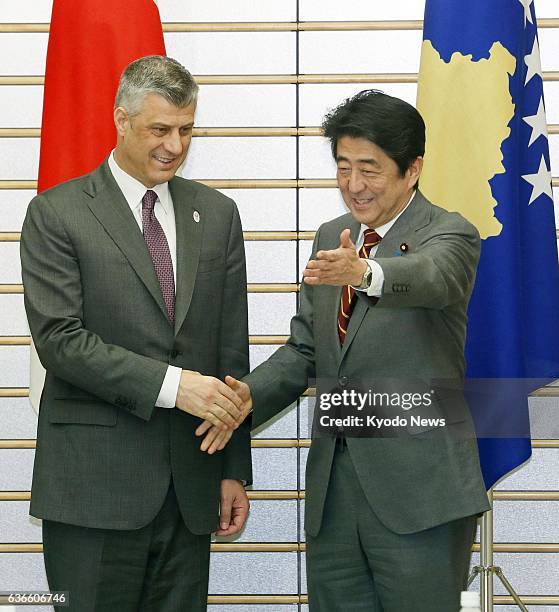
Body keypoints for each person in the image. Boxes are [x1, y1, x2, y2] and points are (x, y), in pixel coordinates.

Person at [200, 90, 490, 611]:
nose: (353, 186)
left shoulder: (449, 233)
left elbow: (431, 278)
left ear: (412, 169)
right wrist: (245, 398)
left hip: (420, 495)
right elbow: (305, 350)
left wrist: (364, 271)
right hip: (335, 496)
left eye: (370, 170)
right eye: (343, 167)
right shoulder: (331, 239)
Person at [20, 55, 251, 612]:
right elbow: (60, 341)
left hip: (192, 491)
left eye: (187, 130)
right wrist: (177, 387)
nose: (175, 144)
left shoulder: (218, 214)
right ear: (121, 120)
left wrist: (232, 468)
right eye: (160, 129)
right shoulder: (56, 213)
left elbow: (230, 350)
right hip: (93, 492)